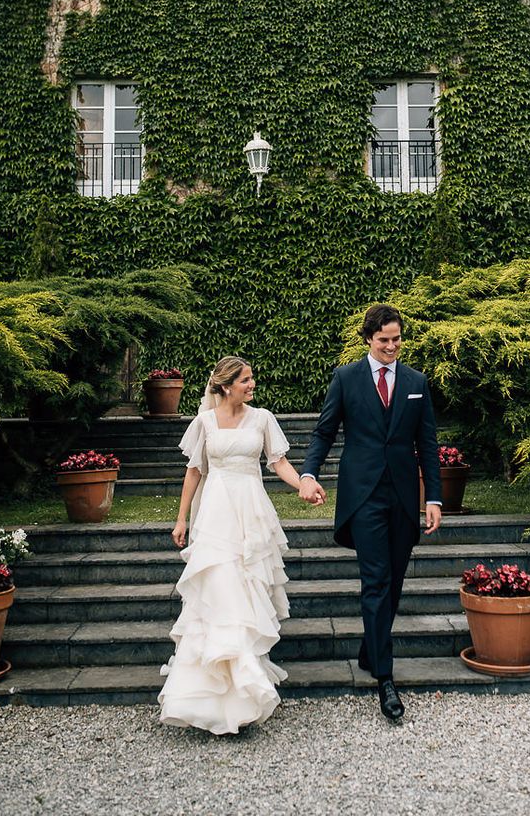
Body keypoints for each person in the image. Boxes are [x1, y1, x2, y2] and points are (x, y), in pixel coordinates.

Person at [158, 356, 325, 735]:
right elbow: (195, 470)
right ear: (225, 386)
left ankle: (245, 695)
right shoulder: (204, 422)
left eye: (251, 379)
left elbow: (278, 462)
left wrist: (303, 485)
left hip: (251, 515)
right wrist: (182, 518)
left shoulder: (263, 418)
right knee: (219, 594)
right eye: (246, 380)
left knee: (247, 596)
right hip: (216, 516)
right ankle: (208, 695)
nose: (252, 385)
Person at [300, 304, 442, 721]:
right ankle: (385, 679)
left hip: (402, 497)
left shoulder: (417, 382)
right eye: (384, 341)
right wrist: (309, 473)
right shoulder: (346, 378)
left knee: (394, 580)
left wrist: (432, 498)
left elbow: (428, 445)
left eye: (397, 340)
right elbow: (325, 430)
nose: (392, 347)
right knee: (376, 579)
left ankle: (369, 649)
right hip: (362, 497)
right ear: (368, 339)